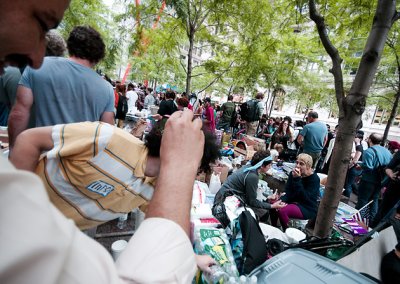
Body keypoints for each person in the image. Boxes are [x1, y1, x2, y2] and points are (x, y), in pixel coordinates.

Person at [8, 26, 115, 151]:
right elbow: (107, 133)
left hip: (40, 160)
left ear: (69, 46)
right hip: (78, 164)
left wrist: (13, 149)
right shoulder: (107, 89)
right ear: (98, 56)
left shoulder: (38, 67)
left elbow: (18, 114)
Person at [212, 151, 286, 226]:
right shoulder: (252, 176)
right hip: (223, 202)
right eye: (269, 165)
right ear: (262, 166)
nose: (270, 167)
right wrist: (272, 206)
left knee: (264, 206)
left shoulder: (249, 168)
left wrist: (267, 198)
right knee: (264, 214)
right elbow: (252, 201)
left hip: (225, 196)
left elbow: (249, 194)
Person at [270, 154, 320, 231]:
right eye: (297, 163)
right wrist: (282, 200)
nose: (297, 166)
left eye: (301, 164)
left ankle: (287, 232)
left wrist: (297, 179)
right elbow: (288, 191)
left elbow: (305, 197)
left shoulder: (314, 179)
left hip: (306, 206)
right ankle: (274, 227)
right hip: (293, 201)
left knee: (283, 210)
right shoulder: (292, 174)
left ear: (308, 166)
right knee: (274, 203)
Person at [356, 133, 392, 221]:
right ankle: (371, 221)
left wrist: (360, 166)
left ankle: (357, 220)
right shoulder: (387, 152)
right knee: (374, 200)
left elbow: (368, 166)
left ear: (369, 140)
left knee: (362, 200)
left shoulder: (369, 151)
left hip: (368, 180)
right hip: (381, 181)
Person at [371, 150, 400, 227]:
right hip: (395, 188)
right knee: (382, 213)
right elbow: (388, 168)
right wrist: (391, 175)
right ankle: (371, 232)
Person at [343, 132, 364, 198]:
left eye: (355, 137)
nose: (354, 138)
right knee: (350, 183)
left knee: (348, 184)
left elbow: (355, 160)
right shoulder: (358, 147)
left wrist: (348, 167)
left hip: (354, 168)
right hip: (356, 168)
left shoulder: (359, 147)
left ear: (359, 139)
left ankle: (346, 197)